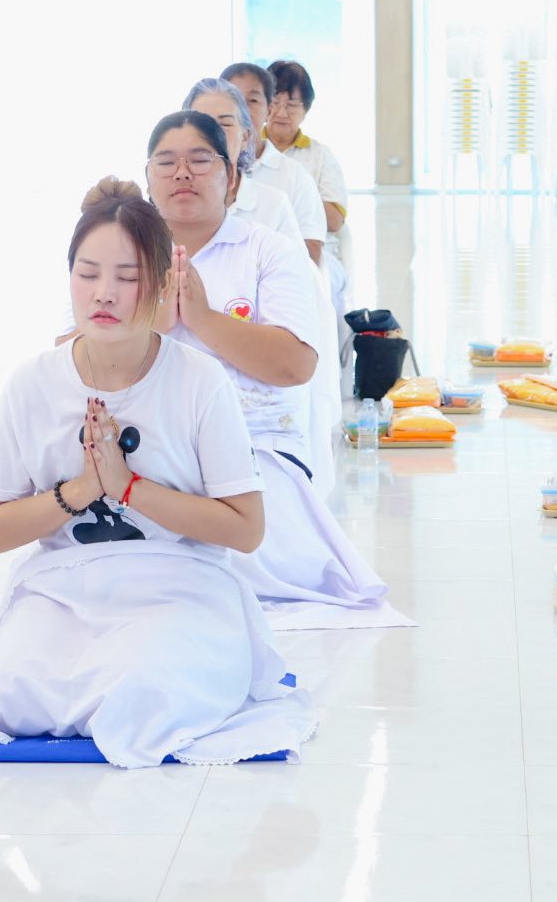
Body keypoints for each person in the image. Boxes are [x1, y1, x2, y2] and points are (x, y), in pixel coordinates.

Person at [0, 177, 315, 768]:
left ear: (159, 288)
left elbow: (246, 530)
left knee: (143, 695)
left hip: (180, 585)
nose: (104, 293)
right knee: (7, 693)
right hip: (64, 587)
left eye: (127, 278)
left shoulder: (201, 382)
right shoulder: (32, 383)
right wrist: (81, 490)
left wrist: (129, 487)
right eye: (88, 273)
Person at [144, 110, 387, 613]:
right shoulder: (128, 253)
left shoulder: (270, 251)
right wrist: (156, 325)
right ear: (148, 180)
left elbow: (295, 364)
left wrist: (205, 319)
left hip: (255, 446)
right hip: (147, 445)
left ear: (233, 179)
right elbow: (70, 357)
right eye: (166, 163)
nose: (182, 174)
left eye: (199, 161)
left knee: (234, 561)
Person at [218, 62, 328, 267]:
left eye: (252, 100)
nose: (242, 109)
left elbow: (310, 252)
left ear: (268, 109)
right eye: (233, 98)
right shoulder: (196, 172)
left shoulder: (295, 176)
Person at [263, 60, 349, 311]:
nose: (281, 113)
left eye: (292, 105)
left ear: (306, 109)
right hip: (260, 249)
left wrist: (296, 193)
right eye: (275, 103)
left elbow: (334, 221)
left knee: (316, 286)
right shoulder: (247, 152)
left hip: (315, 252)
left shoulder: (320, 156)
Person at [182, 77, 304, 252]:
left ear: (245, 137)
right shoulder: (168, 201)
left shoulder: (273, 205)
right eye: (202, 123)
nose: (214, 133)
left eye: (225, 124)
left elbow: (299, 275)